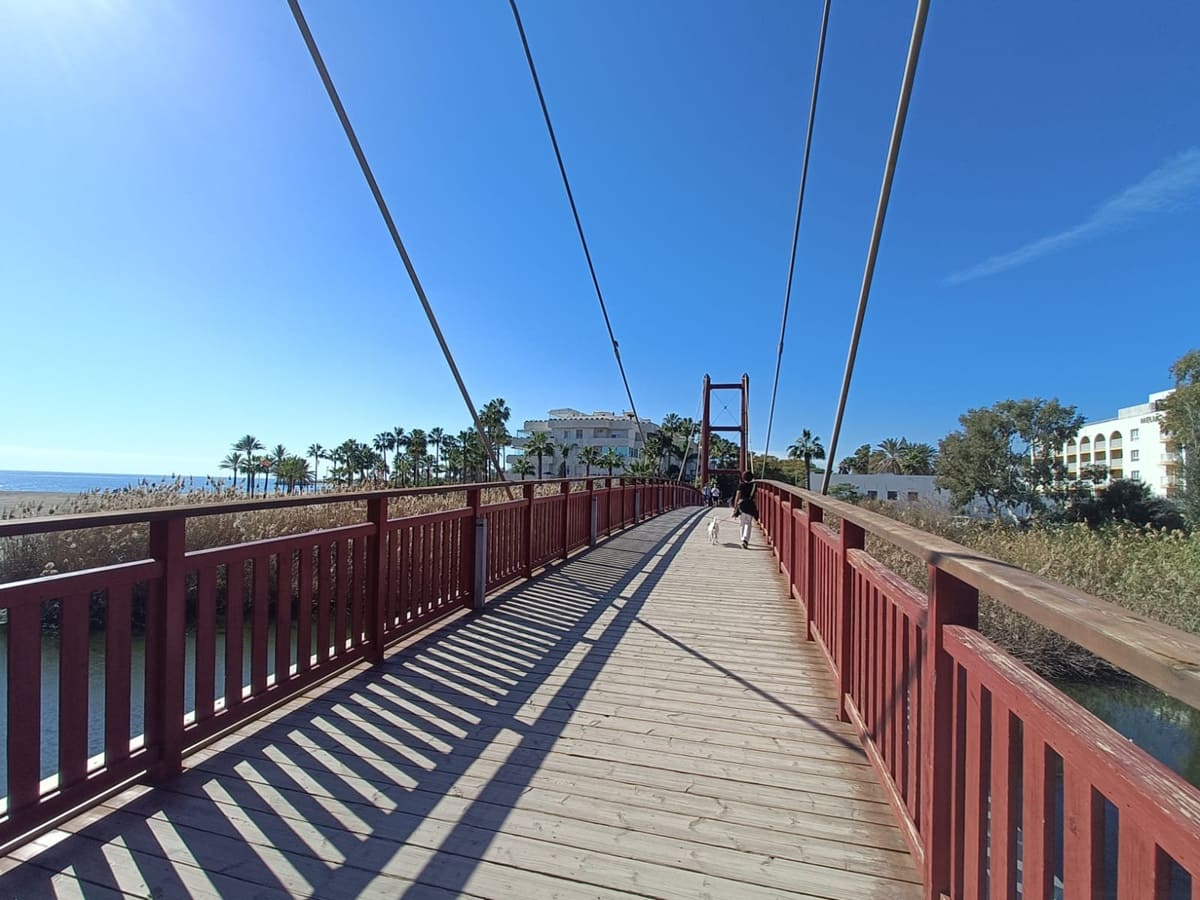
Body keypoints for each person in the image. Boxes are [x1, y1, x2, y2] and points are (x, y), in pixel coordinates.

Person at [730, 470, 758, 549]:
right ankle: (746, 540)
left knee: (742, 523)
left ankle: (743, 539)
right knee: (748, 523)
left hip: (742, 505)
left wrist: (735, 507)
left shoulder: (741, 485)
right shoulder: (754, 486)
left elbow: (737, 496)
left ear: (743, 477)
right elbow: (755, 497)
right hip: (750, 505)